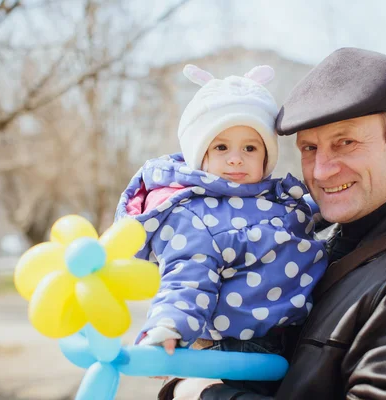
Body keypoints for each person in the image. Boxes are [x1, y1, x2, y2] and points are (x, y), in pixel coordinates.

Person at [159, 48, 386, 400]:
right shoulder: (316, 246)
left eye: (345, 142)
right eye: (308, 148)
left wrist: (204, 394)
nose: (321, 171)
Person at [114, 64, 328, 394]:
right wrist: (169, 325)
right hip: (240, 351)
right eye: (221, 147)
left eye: (250, 148)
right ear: (201, 155)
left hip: (295, 342)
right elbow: (188, 273)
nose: (235, 160)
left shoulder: (274, 198)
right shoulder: (197, 214)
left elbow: (306, 219)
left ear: (266, 155)